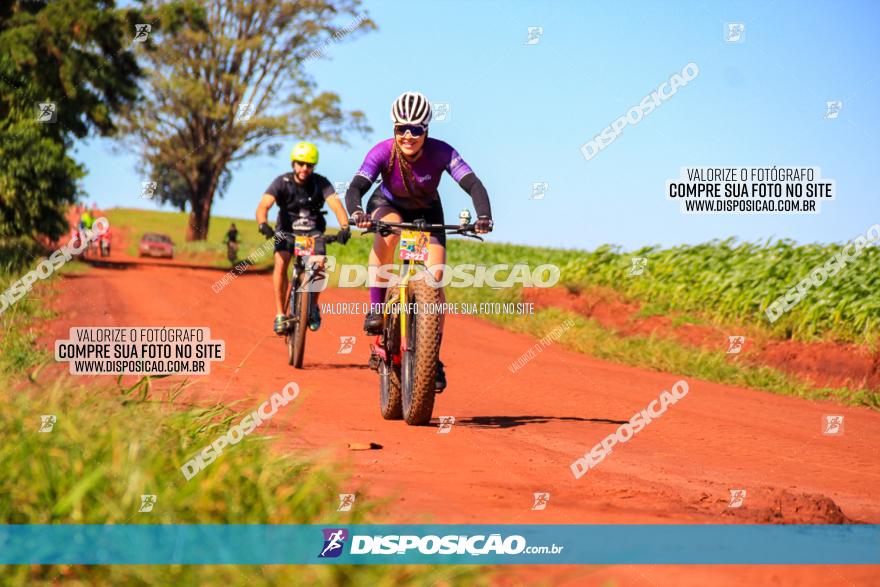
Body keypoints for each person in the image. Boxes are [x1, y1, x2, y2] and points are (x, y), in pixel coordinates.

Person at [345, 91, 493, 391]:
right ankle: (376, 308)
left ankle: (431, 358)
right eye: (402, 129)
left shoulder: (442, 152)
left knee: (436, 282)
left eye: (416, 129)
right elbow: (356, 188)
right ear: (394, 129)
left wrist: (484, 216)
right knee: (389, 230)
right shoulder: (382, 152)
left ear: (427, 130)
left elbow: (473, 183)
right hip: (388, 205)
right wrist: (358, 212)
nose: (409, 136)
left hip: (428, 212)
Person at [256, 141, 351, 335]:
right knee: (281, 263)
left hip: (313, 233)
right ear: (293, 164)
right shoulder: (281, 182)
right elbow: (263, 205)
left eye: (309, 165)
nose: (304, 169)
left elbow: (336, 205)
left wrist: (344, 227)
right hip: (286, 232)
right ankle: (280, 314)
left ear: (313, 167)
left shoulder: (321, 183)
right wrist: (263, 224)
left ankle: (313, 306)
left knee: (319, 264)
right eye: (300, 164)